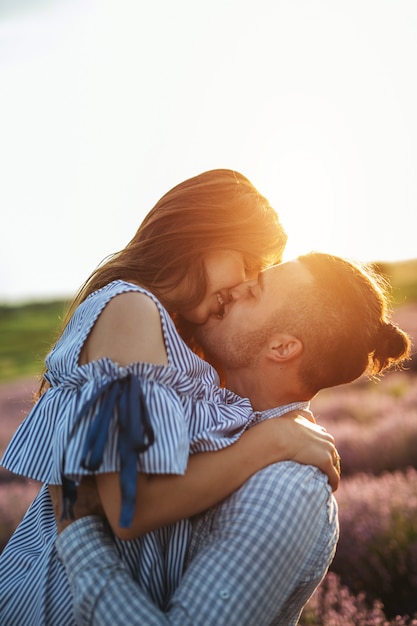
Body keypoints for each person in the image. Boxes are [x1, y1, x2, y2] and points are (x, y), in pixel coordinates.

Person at [0, 170, 339, 626]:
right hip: (56, 599)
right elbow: (130, 505)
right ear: (204, 235)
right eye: (247, 264)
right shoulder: (130, 309)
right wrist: (271, 443)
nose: (242, 287)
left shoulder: (170, 335)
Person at [52, 252, 411, 626]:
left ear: (283, 348)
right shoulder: (212, 424)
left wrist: (80, 537)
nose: (235, 289)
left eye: (254, 293)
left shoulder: (285, 487)